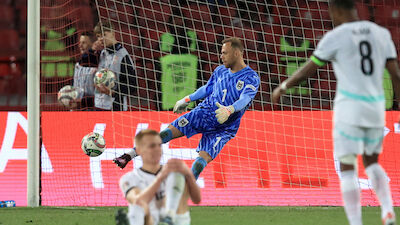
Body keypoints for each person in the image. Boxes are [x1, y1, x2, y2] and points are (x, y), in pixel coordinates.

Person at [271, 0, 399, 224]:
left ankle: (356, 222)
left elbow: (306, 71)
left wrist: (283, 87)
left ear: (336, 10)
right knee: (372, 162)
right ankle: (387, 209)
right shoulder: (381, 33)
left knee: (347, 165)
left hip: (349, 105)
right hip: (376, 106)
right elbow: (396, 75)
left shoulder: (335, 37)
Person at [114, 38, 260, 180]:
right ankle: (128, 155)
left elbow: (245, 99)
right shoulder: (220, 71)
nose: (221, 56)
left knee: (201, 161)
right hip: (203, 113)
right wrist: (188, 99)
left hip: (225, 127)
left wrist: (229, 109)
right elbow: (208, 88)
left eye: (224, 53)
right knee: (165, 134)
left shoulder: (251, 77)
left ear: (236, 53)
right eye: (221, 52)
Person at [118, 129, 201, 225]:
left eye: (159, 145)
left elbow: (196, 199)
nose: (157, 149)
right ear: (139, 150)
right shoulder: (129, 179)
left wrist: (188, 174)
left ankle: (169, 216)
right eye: (152, 146)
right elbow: (138, 201)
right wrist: (160, 178)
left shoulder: (174, 172)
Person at [93, 21, 136, 111]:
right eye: (98, 36)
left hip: (115, 107)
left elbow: (132, 86)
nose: (101, 39)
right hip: (98, 105)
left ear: (112, 33)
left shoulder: (123, 55)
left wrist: (112, 92)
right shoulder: (102, 53)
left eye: (104, 34)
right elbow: (83, 64)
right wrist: (91, 50)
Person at [72, 31, 99, 110]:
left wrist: (83, 101)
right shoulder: (78, 65)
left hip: (92, 109)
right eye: (80, 42)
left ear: (93, 45)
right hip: (77, 109)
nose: (80, 45)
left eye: (84, 43)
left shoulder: (98, 65)